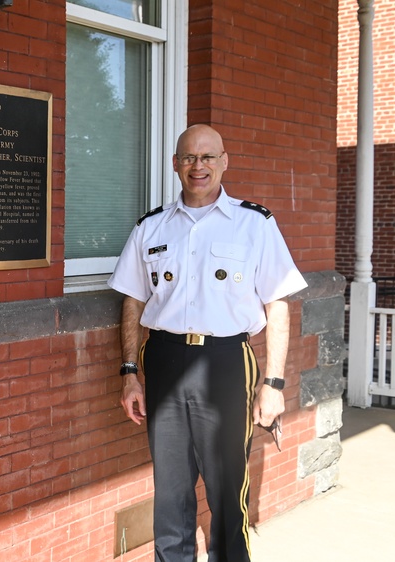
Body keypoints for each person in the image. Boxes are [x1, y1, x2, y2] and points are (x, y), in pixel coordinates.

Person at [109, 124, 307, 562]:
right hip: (162, 359)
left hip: (225, 361)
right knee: (170, 492)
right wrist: (129, 374)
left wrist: (272, 384)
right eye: (189, 158)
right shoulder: (151, 227)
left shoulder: (254, 225)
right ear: (176, 164)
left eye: (208, 157)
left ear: (224, 162)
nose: (198, 166)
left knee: (226, 488)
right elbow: (131, 301)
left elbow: (278, 305)